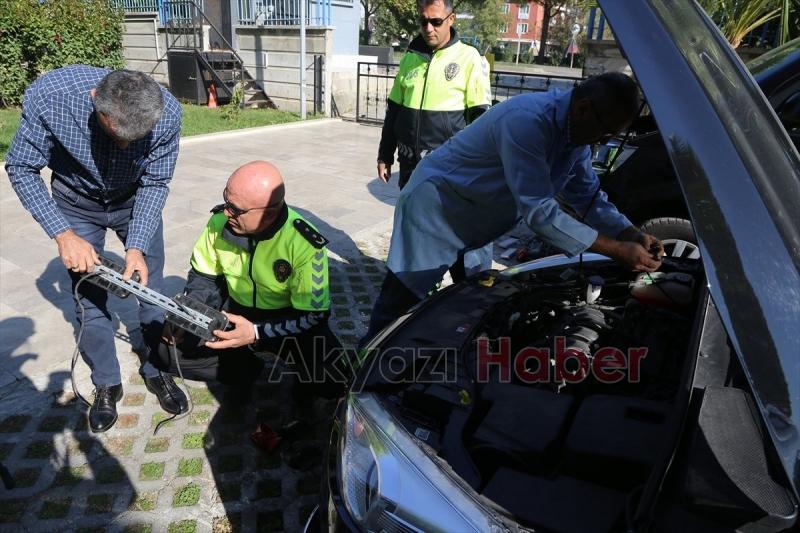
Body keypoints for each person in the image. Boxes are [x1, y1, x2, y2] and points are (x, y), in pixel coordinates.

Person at [364, 72, 665, 339]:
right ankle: (358, 377)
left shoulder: (577, 136)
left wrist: (630, 233)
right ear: (584, 108)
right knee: (399, 305)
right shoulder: (527, 121)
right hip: (436, 211)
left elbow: (587, 197)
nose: (604, 141)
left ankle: (434, 361)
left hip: (476, 218)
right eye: (608, 133)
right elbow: (540, 214)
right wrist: (615, 250)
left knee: (475, 304)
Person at [5, 65, 187, 432]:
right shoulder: (51, 98)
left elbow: (156, 182)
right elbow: (22, 167)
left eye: (137, 139)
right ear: (96, 106)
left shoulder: (167, 112)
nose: (126, 146)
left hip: (134, 198)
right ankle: (106, 381)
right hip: (76, 201)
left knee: (151, 290)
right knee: (89, 297)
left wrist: (135, 246)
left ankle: (157, 369)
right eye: (119, 135)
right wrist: (63, 233)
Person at [153, 161, 347, 402]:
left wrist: (255, 332)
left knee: (336, 378)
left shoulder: (305, 244)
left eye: (235, 209)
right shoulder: (219, 223)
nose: (226, 212)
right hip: (233, 313)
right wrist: (189, 316)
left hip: (286, 319)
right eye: (226, 200)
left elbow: (313, 316)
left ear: (269, 212)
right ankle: (243, 369)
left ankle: (295, 389)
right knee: (167, 354)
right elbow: (203, 279)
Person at [377, 0, 492, 279]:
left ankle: (470, 293)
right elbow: (395, 109)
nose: (428, 28)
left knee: (459, 239)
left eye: (436, 21)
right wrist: (384, 153)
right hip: (410, 167)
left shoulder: (468, 58)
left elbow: (480, 119)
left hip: (448, 171)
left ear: (451, 19)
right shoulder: (411, 56)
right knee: (415, 233)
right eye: (423, 21)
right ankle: (417, 286)